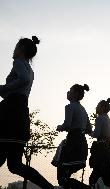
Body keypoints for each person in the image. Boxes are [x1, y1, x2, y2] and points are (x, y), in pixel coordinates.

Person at [0, 36, 55, 189]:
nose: (14, 50)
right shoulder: (30, 70)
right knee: (15, 165)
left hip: (9, 115)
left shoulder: (18, 62)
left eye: (16, 46)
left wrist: (4, 88)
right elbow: (21, 88)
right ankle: (48, 187)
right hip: (20, 114)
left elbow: (20, 81)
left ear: (22, 48)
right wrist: (5, 90)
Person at [56, 84, 92, 189]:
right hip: (82, 143)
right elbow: (89, 129)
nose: (68, 92)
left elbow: (67, 125)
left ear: (76, 94)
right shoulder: (83, 109)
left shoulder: (69, 106)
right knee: (65, 176)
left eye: (70, 91)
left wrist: (60, 127)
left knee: (62, 178)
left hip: (73, 143)